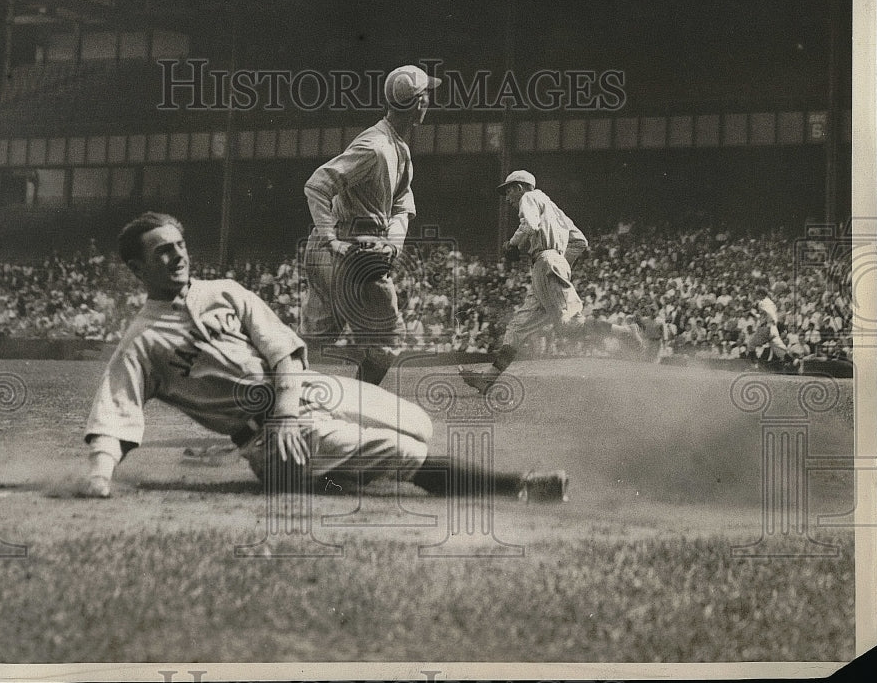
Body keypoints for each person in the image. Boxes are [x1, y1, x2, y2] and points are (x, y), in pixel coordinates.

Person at [82, 212, 568, 503]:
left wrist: (291, 412)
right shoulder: (142, 341)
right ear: (136, 267)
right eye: (162, 252)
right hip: (267, 436)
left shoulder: (224, 292)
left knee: (418, 424)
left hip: (304, 396)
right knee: (408, 454)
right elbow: (114, 413)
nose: (177, 256)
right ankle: (521, 487)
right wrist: (100, 475)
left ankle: (337, 471)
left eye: (179, 245)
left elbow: (286, 353)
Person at [300, 64, 441, 386]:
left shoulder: (397, 148)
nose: (429, 101)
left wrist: (392, 243)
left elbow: (403, 203)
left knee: (314, 340)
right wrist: (332, 238)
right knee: (387, 341)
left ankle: (277, 400)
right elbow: (317, 185)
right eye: (426, 95)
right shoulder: (376, 148)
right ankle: (361, 409)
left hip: (333, 251)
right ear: (418, 102)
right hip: (351, 250)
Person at [459, 171, 643, 395]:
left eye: (508, 190)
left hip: (545, 263)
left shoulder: (529, 198)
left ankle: (625, 332)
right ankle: (488, 380)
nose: (507, 197)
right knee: (517, 328)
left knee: (569, 326)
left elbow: (530, 225)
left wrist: (513, 244)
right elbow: (580, 242)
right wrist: (560, 264)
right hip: (548, 265)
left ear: (520, 187)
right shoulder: (554, 208)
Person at [745, 285, 790, 364]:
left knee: (751, 344)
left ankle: (754, 364)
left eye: (757, 294)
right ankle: (793, 361)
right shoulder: (768, 302)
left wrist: (768, 328)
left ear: (761, 294)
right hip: (771, 328)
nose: (756, 296)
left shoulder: (764, 303)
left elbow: (769, 316)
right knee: (777, 348)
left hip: (766, 328)